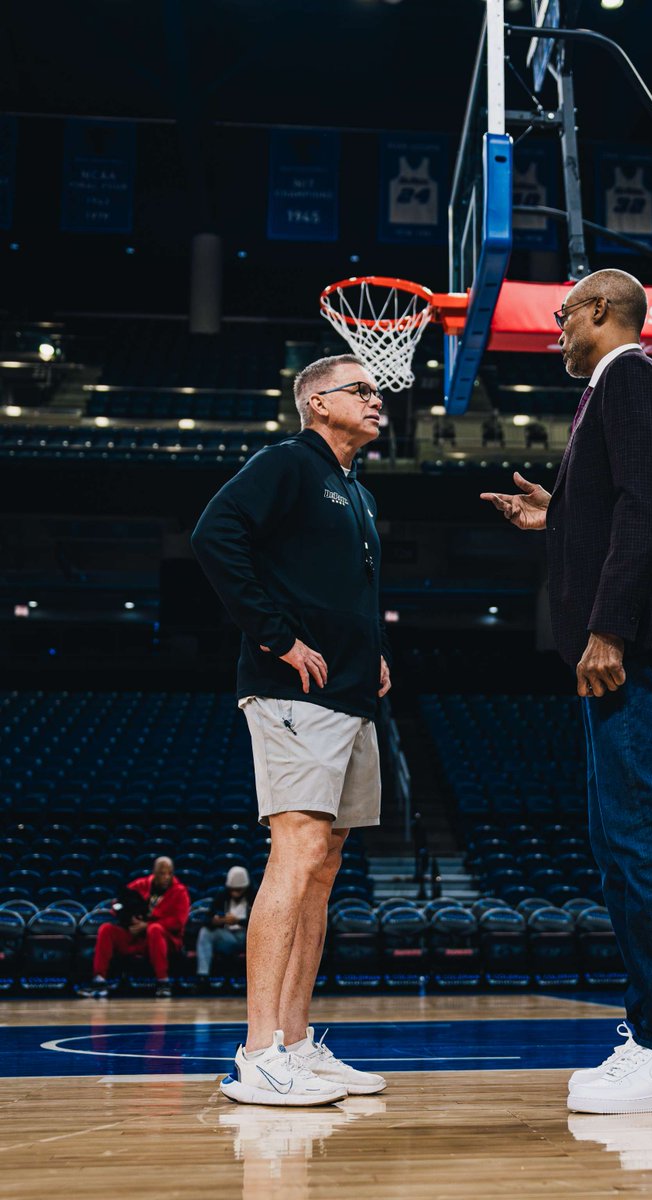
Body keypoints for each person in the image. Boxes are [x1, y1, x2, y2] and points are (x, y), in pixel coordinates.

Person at [481, 269, 652, 1115]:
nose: (554, 328)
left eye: (561, 315)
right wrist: (558, 513)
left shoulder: (630, 377)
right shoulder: (616, 388)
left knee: (642, 832)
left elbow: (647, 508)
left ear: (599, 312)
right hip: (633, 637)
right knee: (617, 834)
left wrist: (609, 626)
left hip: (639, 642)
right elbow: (623, 503)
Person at [191, 354, 391, 1107]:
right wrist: (276, 636)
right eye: (360, 390)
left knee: (326, 861)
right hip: (292, 692)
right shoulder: (285, 463)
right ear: (316, 403)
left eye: (377, 390)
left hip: (349, 693)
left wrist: (374, 656)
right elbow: (215, 536)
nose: (377, 400)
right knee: (298, 847)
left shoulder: (355, 493)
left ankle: (299, 1046)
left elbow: (344, 594)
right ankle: (257, 1051)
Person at [83, 856, 190, 998]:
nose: (166, 877)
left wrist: (147, 925)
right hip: (136, 935)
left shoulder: (180, 892)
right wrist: (130, 919)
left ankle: (163, 982)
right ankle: (99, 981)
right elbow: (117, 905)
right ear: (154, 873)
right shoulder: (141, 885)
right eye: (162, 873)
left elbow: (178, 923)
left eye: (169, 873)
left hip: (164, 939)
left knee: (154, 929)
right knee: (106, 929)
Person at [195, 865, 256, 984]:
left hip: (248, 937)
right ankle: (202, 976)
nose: (235, 893)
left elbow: (261, 923)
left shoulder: (254, 896)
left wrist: (238, 921)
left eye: (239, 890)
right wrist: (218, 921)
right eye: (233, 889)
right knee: (204, 932)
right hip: (227, 935)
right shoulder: (222, 895)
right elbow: (207, 919)